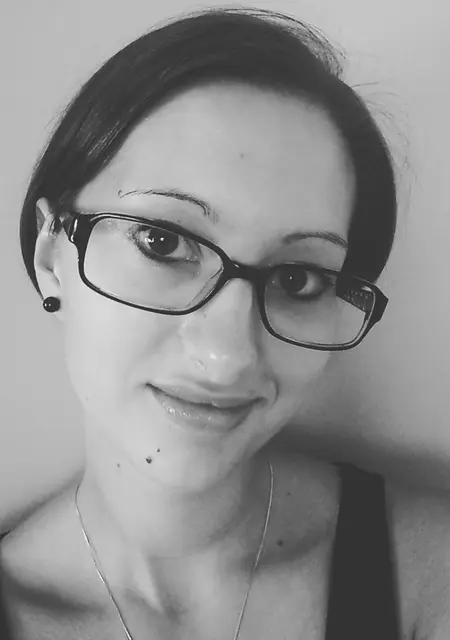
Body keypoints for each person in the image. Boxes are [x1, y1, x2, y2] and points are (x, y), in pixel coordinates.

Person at [2, 6, 450, 640]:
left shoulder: (430, 578)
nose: (227, 356)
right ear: (52, 256)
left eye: (297, 279)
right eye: (162, 242)